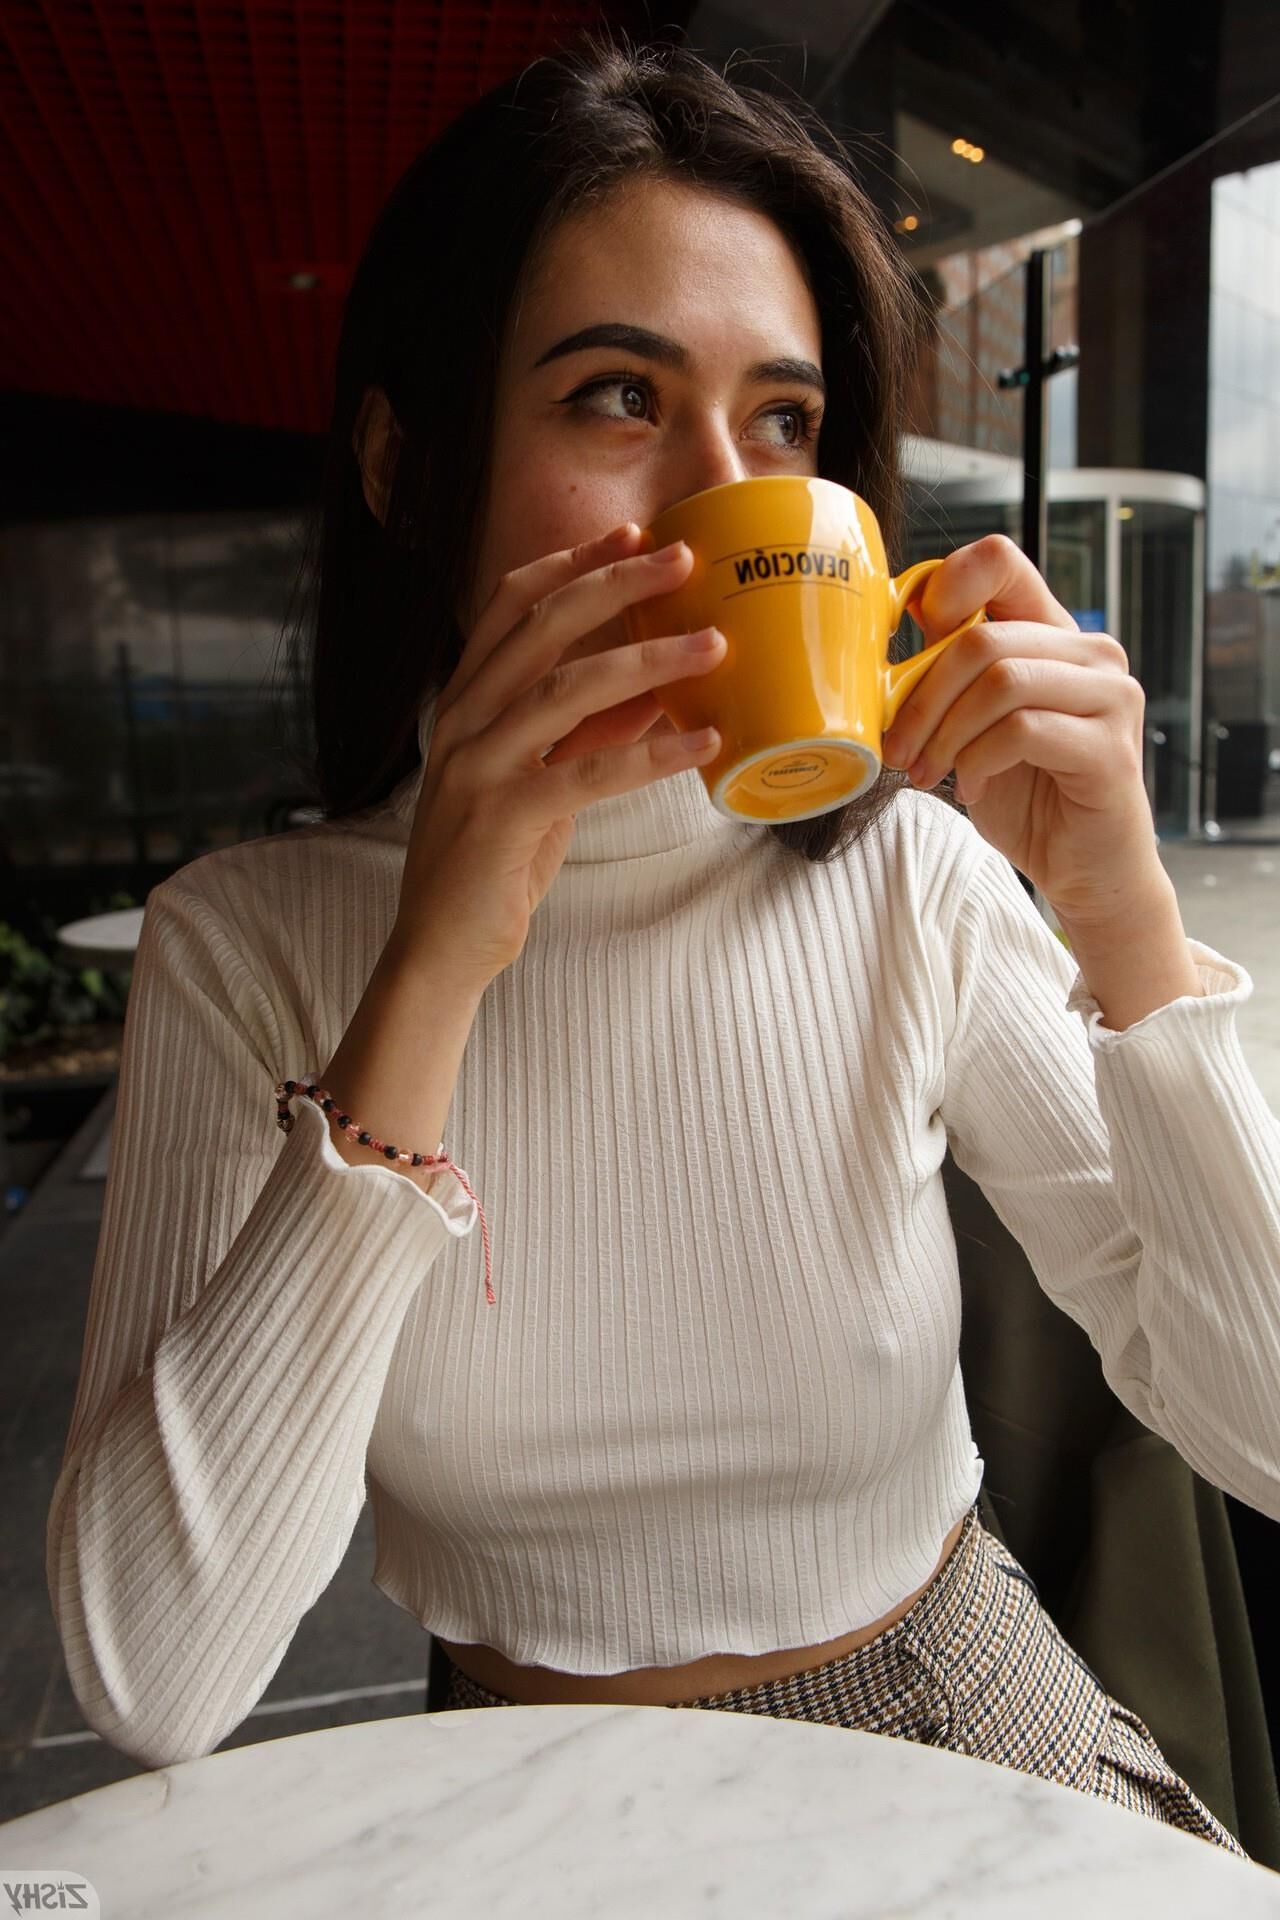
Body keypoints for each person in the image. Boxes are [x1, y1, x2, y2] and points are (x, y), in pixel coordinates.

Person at [47, 31, 1278, 1855]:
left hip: (958, 1749)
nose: (716, 498)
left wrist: (1128, 925)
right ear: (410, 462)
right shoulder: (253, 945)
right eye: (619, 397)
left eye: (779, 425)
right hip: (504, 1807)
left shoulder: (911, 889)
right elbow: (157, 1674)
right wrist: (434, 966)